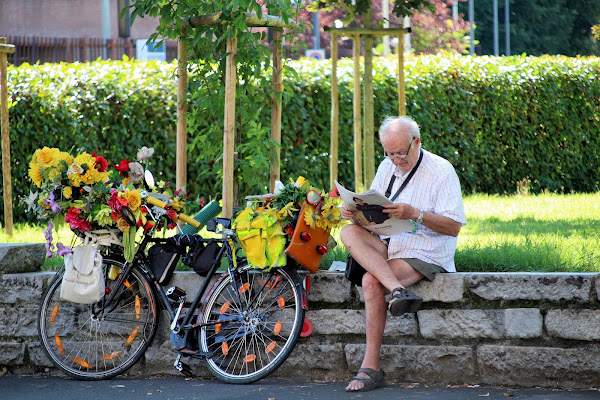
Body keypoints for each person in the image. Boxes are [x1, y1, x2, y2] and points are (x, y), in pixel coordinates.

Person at [340, 116, 466, 392]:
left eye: (400, 153)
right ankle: (398, 290)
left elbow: (454, 227)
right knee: (348, 232)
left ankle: (370, 368)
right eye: (390, 153)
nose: (395, 160)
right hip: (391, 244)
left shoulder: (441, 170)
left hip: (426, 250)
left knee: (371, 281)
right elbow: (371, 216)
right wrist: (352, 212)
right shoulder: (387, 167)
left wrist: (415, 214)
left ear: (416, 142)